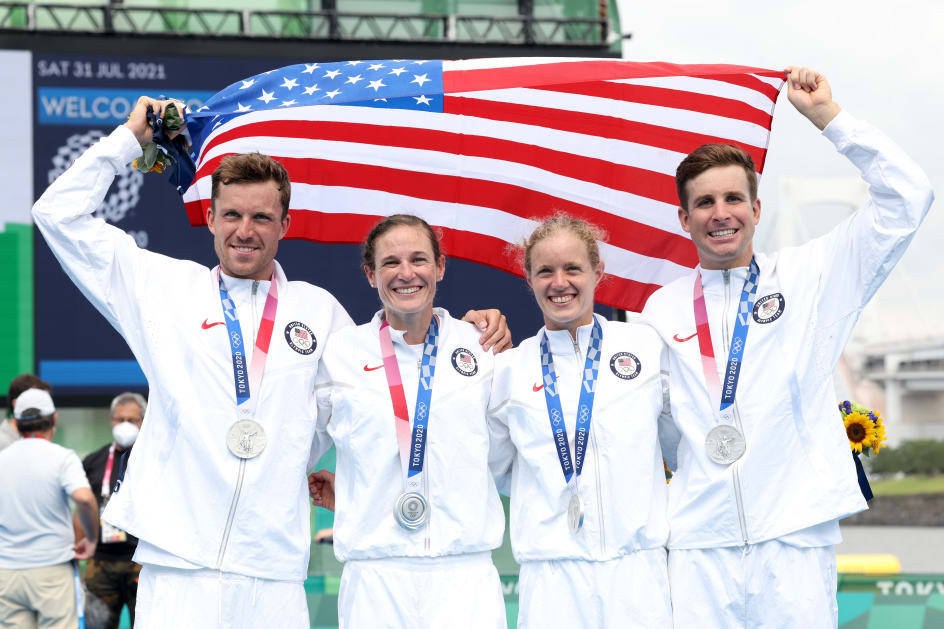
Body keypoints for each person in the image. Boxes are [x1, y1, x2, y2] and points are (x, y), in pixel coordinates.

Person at [31, 96, 510, 628]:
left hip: (275, 573)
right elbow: (57, 214)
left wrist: (467, 330)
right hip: (178, 566)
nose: (245, 230)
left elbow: (390, 393)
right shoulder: (161, 290)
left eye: (262, 217)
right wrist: (128, 142)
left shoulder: (320, 313)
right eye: (232, 214)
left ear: (285, 222)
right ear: (209, 217)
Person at [639, 67, 934, 627]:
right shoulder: (662, 309)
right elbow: (652, 423)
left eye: (733, 198)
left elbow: (909, 198)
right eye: (704, 203)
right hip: (701, 544)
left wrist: (829, 118)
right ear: (684, 218)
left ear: (757, 208)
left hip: (795, 536)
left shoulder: (815, 274)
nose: (719, 213)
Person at [308, 214, 507, 628]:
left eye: (418, 259)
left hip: (465, 575)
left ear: (440, 267)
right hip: (374, 577)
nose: (406, 273)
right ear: (370, 274)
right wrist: (352, 491)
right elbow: (290, 443)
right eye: (390, 263)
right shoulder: (339, 354)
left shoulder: (483, 345)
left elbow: (515, 452)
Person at [486, 216, 672, 628]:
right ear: (528, 278)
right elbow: (500, 471)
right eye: (545, 271)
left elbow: (677, 442)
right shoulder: (508, 371)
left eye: (572, 268)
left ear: (597, 272)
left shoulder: (645, 349)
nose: (560, 282)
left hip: (638, 573)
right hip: (552, 578)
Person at [0, 388, 99, 628]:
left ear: (17, 422)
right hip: (52, 572)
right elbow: (84, 499)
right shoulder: (62, 457)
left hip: (6, 573)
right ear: (54, 419)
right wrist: (92, 538)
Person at [74, 392, 147, 629]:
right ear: (111, 421)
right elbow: (80, 510)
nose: (125, 424)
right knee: (97, 625)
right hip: (101, 563)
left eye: (132, 420)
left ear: (143, 421)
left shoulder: (153, 460)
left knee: (147, 623)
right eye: (119, 419)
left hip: (142, 560)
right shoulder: (94, 461)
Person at [0, 374, 52, 452]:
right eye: (38, 401)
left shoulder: (41, 441)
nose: (44, 408)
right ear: (16, 404)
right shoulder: (2, 443)